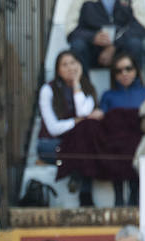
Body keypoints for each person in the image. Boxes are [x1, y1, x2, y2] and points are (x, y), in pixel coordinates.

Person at [36, 49, 103, 207]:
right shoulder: (48, 90)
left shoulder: (86, 87)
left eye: (73, 63)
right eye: (64, 65)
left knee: (86, 136)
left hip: (75, 148)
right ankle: (84, 189)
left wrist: (77, 84)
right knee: (84, 145)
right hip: (51, 145)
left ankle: (78, 179)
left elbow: (83, 111)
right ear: (58, 70)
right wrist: (77, 121)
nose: (70, 68)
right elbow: (53, 128)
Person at [98, 51, 145, 206]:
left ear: (136, 70)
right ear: (114, 75)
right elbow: (105, 121)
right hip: (116, 143)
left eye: (128, 68)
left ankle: (135, 193)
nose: (124, 73)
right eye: (119, 71)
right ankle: (119, 194)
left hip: (138, 139)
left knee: (135, 144)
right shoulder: (108, 95)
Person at [66, 0, 145, 88]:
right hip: (93, 50)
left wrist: (114, 45)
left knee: (135, 44)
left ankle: (136, 89)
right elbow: (71, 30)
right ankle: (83, 90)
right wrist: (92, 37)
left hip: (120, 48)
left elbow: (142, 26)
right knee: (78, 46)